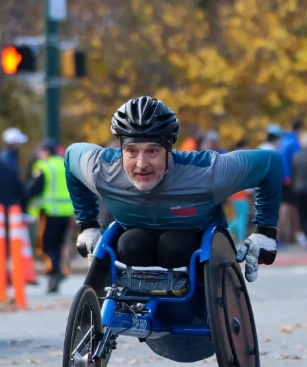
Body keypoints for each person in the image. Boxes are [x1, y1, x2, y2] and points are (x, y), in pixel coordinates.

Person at [65, 95, 282, 284]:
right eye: (131, 151)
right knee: (131, 243)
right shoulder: (100, 169)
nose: (141, 164)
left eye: (152, 151)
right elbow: (70, 156)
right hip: (134, 244)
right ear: (121, 149)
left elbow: (270, 163)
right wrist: (88, 224)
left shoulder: (207, 173)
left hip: (192, 247)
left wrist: (265, 232)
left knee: (173, 245)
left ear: (170, 150)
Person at [26, 139, 75, 293]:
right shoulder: (65, 164)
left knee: (45, 246)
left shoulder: (44, 166)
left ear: (46, 151)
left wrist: (24, 203)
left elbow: (34, 189)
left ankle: (55, 270)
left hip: (49, 212)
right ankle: (55, 275)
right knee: (59, 245)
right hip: (66, 212)